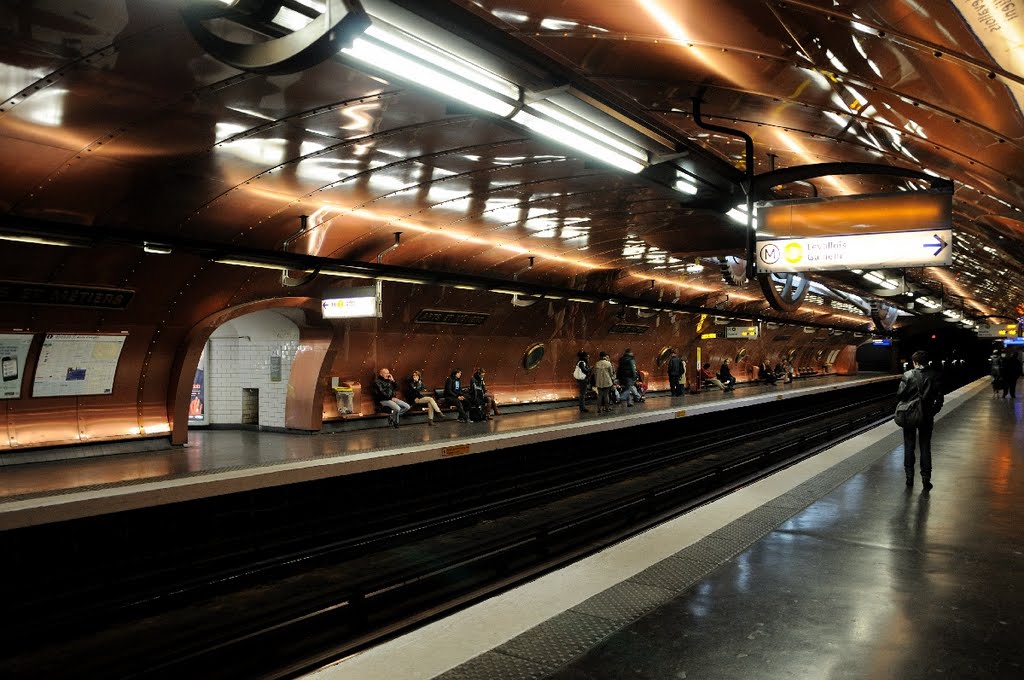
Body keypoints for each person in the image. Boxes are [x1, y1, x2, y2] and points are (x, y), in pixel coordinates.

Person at [896, 350, 944, 490]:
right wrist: (932, 412)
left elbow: (900, 395)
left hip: (909, 415)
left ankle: (909, 478)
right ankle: (925, 479)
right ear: (927, 361)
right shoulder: (935, 375)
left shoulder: (908, 375)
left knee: (909, 446)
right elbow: (939, 399)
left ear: (914, 362)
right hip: (927, 416)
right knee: (925, 447)